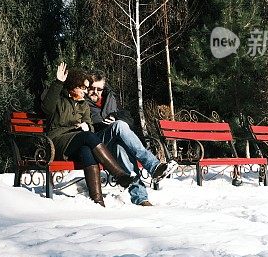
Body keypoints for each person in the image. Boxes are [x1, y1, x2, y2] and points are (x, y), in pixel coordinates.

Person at [40, 62, 136, 207]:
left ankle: (98, 201)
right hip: (57, 142)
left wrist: (86, 126)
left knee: (87, 150)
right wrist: (58, 82)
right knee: (87, 138)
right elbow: (46, 108)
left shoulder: (84, 105)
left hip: (75, 142)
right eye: (83, 87)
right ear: (73, 86)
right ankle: (119, 175)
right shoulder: (59, 100)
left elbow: (90, 127)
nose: (85, 91)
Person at [87, 70, 178, 206]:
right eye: (92, 88)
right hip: (96, 143)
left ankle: (141, 198)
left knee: (121, 148)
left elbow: (129, 118)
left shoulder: (111, 97)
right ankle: (154, 166)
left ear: (103, 88)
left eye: (99, 89)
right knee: (119, 126)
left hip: (113, 143)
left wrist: (115, 117)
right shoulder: (82, 101)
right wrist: (104, 124)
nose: (95, 92)